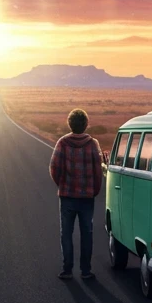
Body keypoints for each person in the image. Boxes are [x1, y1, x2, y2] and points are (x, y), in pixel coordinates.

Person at [48, 108, 104, 279]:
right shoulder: (93, 143)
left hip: (67, 196)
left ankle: (67, 269)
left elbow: (54, 168)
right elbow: (97, 170)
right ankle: (86, 271)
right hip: (87, 197)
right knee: (87, 233)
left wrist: (62, 184)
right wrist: (95, 189)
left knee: (66, 233)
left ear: (69, 124)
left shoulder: (62, 143)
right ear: (86, 124)